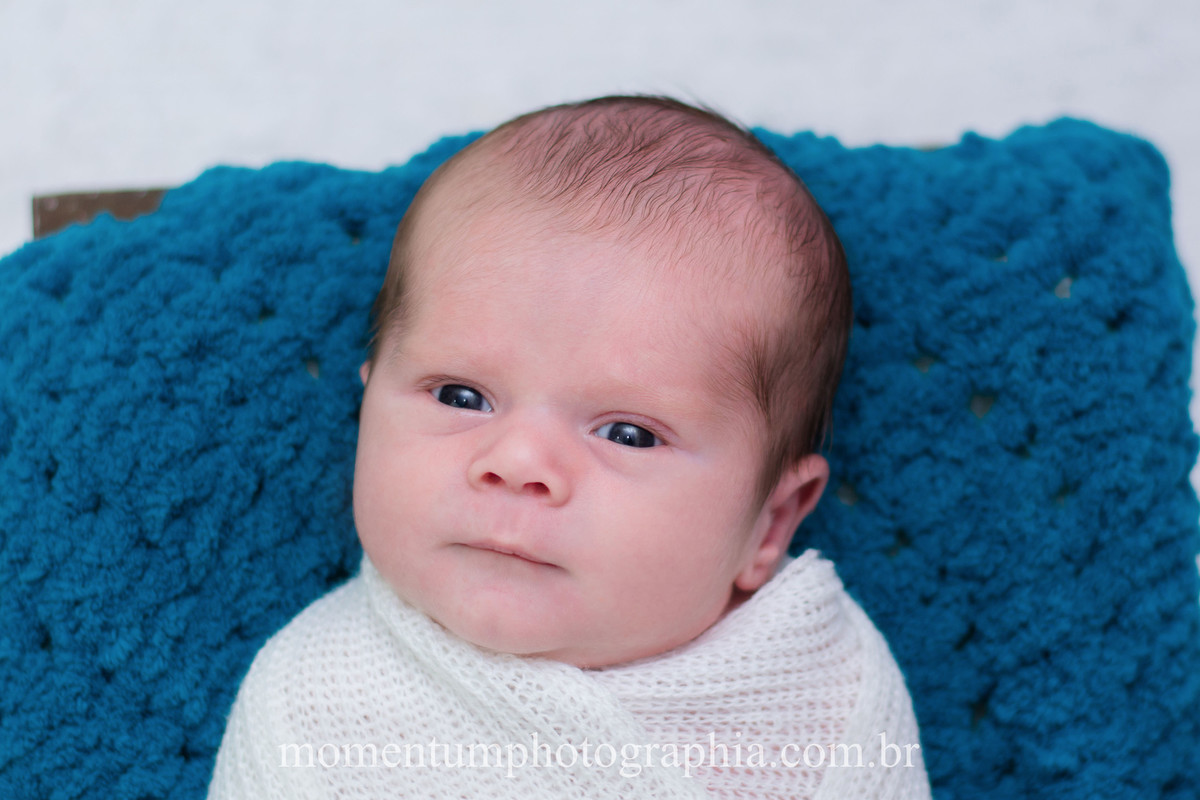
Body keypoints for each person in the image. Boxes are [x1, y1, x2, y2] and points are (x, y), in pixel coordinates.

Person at [208, 95, 931, 799]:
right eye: (461, 396)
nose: (518, 463)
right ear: (366, 407)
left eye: (628, 434)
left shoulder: (822, 688)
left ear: (771, 521)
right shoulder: (312, 699)